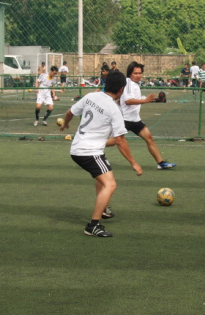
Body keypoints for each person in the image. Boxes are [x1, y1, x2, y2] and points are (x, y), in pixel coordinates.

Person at [60, 71, 143, 238]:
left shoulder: (91, 96)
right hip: (88, 152)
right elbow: (120, 141)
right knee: (110, 185)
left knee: (102, 177)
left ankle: (103, 208)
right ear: (121, 89)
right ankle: (93, 225)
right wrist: (134, 163)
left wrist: (65, 124)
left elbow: (70, 112)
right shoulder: (114, 109)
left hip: (79, 147)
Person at [120, 61, 177, 170]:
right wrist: (145, 100)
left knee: (149, 138)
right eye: (135, 73)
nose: (138, 75)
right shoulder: (128, 83)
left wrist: (150, 100)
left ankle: (160, 163)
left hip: (134, 120)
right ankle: (88, 149)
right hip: (124, 120)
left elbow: (124, 100)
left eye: (140, 73)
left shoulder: (133, 84)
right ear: (129, 74)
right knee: (113, 141)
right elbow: (128, 101)